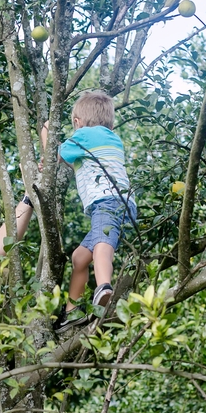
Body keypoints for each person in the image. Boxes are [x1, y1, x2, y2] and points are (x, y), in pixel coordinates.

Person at [49, 90, 136, 327]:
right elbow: (72, 159)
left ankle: (103, 287)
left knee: (101, 244)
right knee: (79, 257)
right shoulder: (110, 137)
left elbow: (57, 154)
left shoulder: (84, 135)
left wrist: (46, 132)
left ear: (77, 123)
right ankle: (72, 312)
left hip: (107, 202)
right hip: (125, 206)